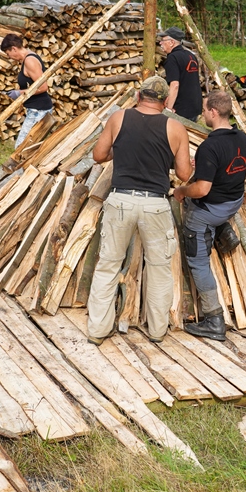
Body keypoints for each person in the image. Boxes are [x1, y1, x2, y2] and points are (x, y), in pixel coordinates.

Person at [86, 76, 192, 345]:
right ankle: (157, 331)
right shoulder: (175, 127)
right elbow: (183, 174)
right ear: (166, 102)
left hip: (121, 200)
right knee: (158, 267)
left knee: (109, 264)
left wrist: (117, 152)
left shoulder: (118, 118)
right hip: (155, 203)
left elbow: (98, 155)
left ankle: (98, 330)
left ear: (137, 96)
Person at [172, 91, 246, 341]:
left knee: (198, 261)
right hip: (232, 203)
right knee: (211, 215)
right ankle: (221, 231)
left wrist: (182, 191)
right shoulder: (243, 138)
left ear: (213, 113)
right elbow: (228, 168)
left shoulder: (210, 146)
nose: (202, 113)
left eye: (205, 110)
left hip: (208, 211)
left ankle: (214, 321)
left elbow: (203, 189)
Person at [0, 32, 55, 148]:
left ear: (14, 49)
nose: (9, 57)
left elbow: (43, 87)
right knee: (30, 149)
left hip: (39, 110)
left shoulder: (30, 61)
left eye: (8, 53)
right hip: (36, 109)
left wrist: (19, 93)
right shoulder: (27, 58)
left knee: (21, 148)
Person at [157, 27, 202, 121]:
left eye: (163, 40)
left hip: (181, 108)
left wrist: (169, 109)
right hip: (195, 106)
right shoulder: (191, 56)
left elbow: (175, 85)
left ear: (171, 42)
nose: (160, 43)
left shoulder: (172, 58)